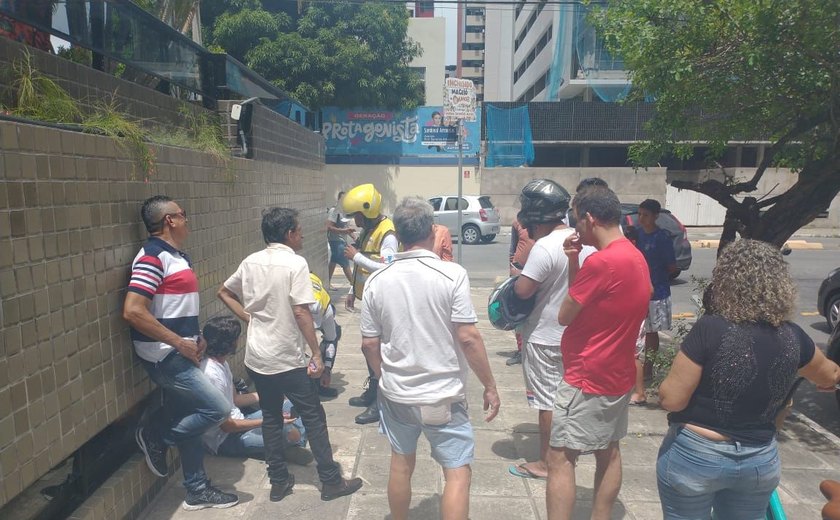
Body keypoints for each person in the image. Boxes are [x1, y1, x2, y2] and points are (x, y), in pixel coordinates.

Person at [657, 239, 840, 520]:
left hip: (697, 455)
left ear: (726, 281)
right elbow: (830, 375)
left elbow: (672, 399)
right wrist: (823, 383)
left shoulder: (710, 328)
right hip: (758, 460)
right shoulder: (793, 337)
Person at [360, 197, 501, 520]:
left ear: (397, 232)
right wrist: (490, 386)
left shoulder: (377, 281)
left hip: (397, 394)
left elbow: (369, 344)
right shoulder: (451, 274)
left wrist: (385, 378)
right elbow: (468, 337)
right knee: (457, 472)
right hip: (443, 395)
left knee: (401, 461)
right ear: (432, 230)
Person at [217, 207, 363, 503]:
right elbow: (301, 311)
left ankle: (279, 482)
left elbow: (224, 292)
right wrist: (316, 352)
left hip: (258, 356)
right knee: (313, 417)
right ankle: (331, 481)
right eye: (298, 230)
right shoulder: (295, 264)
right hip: (288, 357)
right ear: (288, 234)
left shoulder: (251, 261)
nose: (302, 235)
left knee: (271, 417)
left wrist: (250, 318)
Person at [123, 195, 238, 511]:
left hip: (183, 349)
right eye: (183, 214)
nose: (187, 219)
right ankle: (157, 434)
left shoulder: (177, 257)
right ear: (169, 220)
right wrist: (178, 342)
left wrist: (196, 336)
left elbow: (176, 306)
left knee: (193, 417)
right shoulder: (151, 258)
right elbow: (133, 311)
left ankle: (197, 489)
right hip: (165, 356)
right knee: (217, 408)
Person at [550, 185, 652, 520]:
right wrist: (574, 259)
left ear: (590, 219)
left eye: (577, 221)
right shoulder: (635, 257)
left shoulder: (602, 263)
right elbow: (596, 299)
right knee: (608, 450)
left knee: (561, 456)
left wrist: (578, 263)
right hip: (618, 372)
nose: (576, 228)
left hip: (586, 374)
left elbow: (566, 314)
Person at [507, 179, 593, 481]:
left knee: (547, 402)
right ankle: (570, 453)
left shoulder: (544, 247)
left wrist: (517, 277)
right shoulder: (584, 240)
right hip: (577, 336)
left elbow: (523, 290)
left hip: (545, 338)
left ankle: (547, 463)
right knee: (571, 398)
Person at [199, 315, 314, 465]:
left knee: (293, 402)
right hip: (226, 439)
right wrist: (268, 421)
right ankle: (288, 444)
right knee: (289, 433)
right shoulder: (211, 375)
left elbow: (236, 400)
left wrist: (275, 396)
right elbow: (227, 426)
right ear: (229, 343)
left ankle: (285, 446)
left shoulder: (222, 363)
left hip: (241, 421)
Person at [342, 183, 399, 424]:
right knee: (369, 352)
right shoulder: (370, 228)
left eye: (356, 215)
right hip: (369, 298)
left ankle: (380, 402)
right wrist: (351, 289)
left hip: (383, 301)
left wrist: (356, 257)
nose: (354, 220)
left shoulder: (387, 234)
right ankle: (372, 392)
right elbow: (363, 262)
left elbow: (388, 267)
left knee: (376, 350)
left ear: (367, 211)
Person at [634, 199, 677, 404]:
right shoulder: (637, 234)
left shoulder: (661, 238)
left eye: (646, 215)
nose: (642, 219)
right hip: (638, 291)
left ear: (655, 216)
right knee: (637, 331)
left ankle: (648, 369)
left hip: (657, 292)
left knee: (652, 332)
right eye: (640, 214)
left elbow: (671, 266)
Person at [506, 217, 535, 366]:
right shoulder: (517, 222)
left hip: (539, 270)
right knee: (518, 314)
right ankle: (520, 350)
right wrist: (512, 265)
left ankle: (531, 348)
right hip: (519, 269)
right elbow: (513, 245)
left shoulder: (545, 220)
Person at [309, 273, 341, 397]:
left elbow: (331, 340)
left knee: (335, 332)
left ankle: (318, 384)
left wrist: (326, 370)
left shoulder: (327, 309)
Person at [326, 191, 355, 289]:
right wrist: (344, 231)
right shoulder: (334, 211)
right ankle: (354, 285)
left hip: (341, 240)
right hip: (336, 241)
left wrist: (354, 237)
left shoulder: (344, 213)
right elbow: (329, 227)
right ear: (338, 200)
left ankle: (327, 282)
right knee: (345, 262)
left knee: (334, 260)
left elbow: (346, 228)